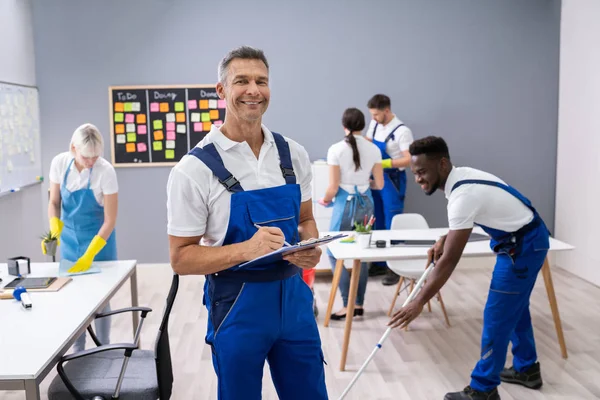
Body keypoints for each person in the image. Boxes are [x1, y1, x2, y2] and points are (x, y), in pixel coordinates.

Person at [166, 46, 328, 400]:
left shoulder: (293, 154)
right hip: (237, 306)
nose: (253, 90)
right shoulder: (193, 171)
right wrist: (246, 249)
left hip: (295, 302)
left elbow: (306, 220)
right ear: (221, 90)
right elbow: (181, 258)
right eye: (242, 81)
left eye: (261, 81)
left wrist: (310, 247)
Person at [389, 136, 550, 400]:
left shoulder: (462, 195)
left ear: (441, 164)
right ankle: (527, 369)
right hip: (525, 238)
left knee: (497, 315)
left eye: (422, 172)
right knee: (515, 308)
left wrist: (418, 302)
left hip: (521, 247)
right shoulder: (462, 178)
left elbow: (449, 261)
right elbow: (467, 222)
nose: (418, 179)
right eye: (414, 173)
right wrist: (444, 238)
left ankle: (483, 389)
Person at [46, 123, 118, 352]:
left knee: (102, 297)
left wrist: (90, 253)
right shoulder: (59, 163)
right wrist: (54, 229)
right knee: (74, 296)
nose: (91, 162)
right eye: (87, 157)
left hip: (99, 242)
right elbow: (54, 202)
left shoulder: (105, 171)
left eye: (96, 156)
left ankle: (104, 347)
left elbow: (110, 220)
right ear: (73, 149)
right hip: (69, 242)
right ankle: (79, 350)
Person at [318, 107, 384, 320]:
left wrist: (325, 200)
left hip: (344, 204)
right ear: (362, 125)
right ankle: (359, 304)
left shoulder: (336, 149)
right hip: (366, 204)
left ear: (343, 125)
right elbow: (380, 184)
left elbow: (333, 187)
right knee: (362, 254)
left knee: (334, 252)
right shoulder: (374, 149)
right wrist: (363, 183)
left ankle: (347, 304)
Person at [365, 94, 414, 285]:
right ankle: (379, 263)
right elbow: (368, 143)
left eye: (376, 114)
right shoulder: (374, 124)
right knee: (377, 219)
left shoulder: (402, 131)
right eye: (372, 115)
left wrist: (384, 162)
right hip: (376, 177)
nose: (373, 118)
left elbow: (409, 159)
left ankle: (395, 267)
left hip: (393, 180)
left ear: (387, 110)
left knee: (392, 222)